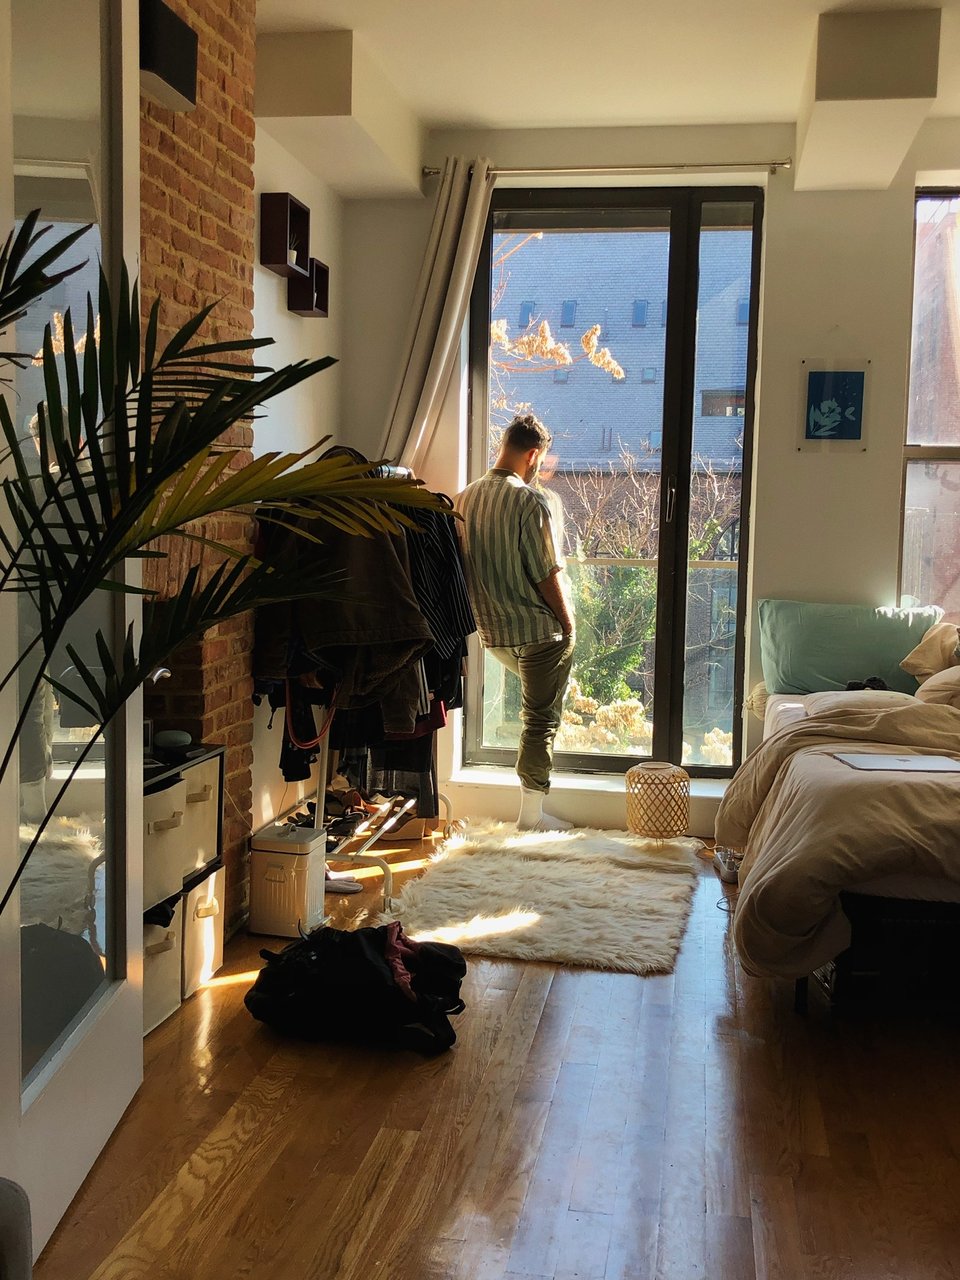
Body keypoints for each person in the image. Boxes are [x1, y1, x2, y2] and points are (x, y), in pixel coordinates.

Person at [456, 414, 575, 830]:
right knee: (540, 719)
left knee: (531, 714)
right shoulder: (530, 501)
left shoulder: (462, 499)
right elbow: (547, 572)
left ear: (501, 446)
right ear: (534, 455)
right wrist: (568, 624)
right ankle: (531, 817)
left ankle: (532, 810)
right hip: (539, 634)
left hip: (493, 636)